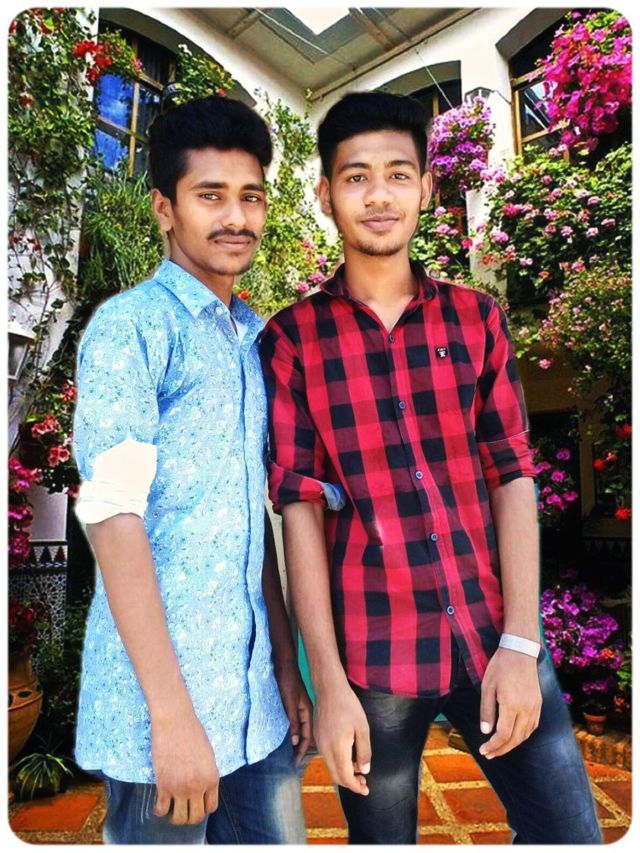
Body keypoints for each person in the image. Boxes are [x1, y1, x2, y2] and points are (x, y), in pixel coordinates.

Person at [260, 91, 602, 845]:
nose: (378, 195)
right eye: (356, 177)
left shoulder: (476, 318)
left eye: (397, 174)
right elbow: (298, 509)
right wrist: (329, 684)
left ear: (426, 187)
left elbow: (513, 473)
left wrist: (522, 641)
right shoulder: (292, 341)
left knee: (569, 834)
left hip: (495, 638)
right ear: (325, 193)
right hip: (373, 659)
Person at [72, 95, 310, 845]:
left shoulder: (255, 341)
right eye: (210, 195)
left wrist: (285, 664)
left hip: (256, 708)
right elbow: (113, 517)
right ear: (164, 209)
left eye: (251, 196)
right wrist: (172, 718)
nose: (236, 217)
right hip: (161, 717)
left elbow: (248, 518)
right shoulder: (132, 328)